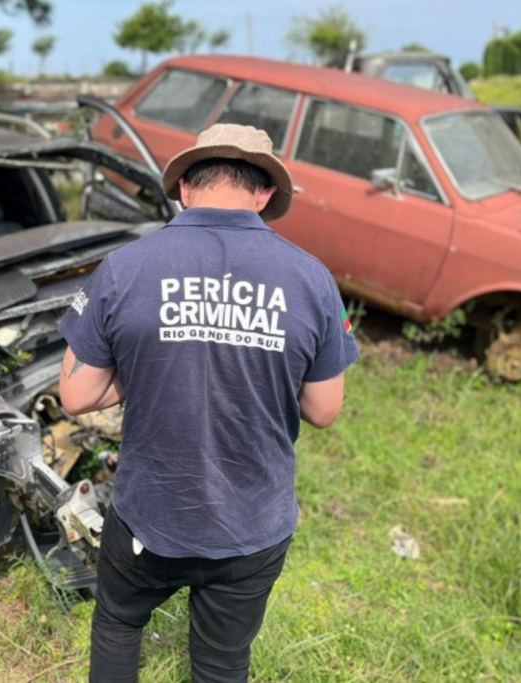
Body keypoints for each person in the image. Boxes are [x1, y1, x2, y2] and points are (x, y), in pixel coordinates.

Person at [58, 123, 359, 683]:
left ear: (187, 189)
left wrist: (140, 362)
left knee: (121, 624)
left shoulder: (124, 268)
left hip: (152, 516)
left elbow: (76, 394)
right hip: (252, 526)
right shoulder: (313, 280)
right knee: (223, 664)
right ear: (265, 194)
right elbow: (324, 409)